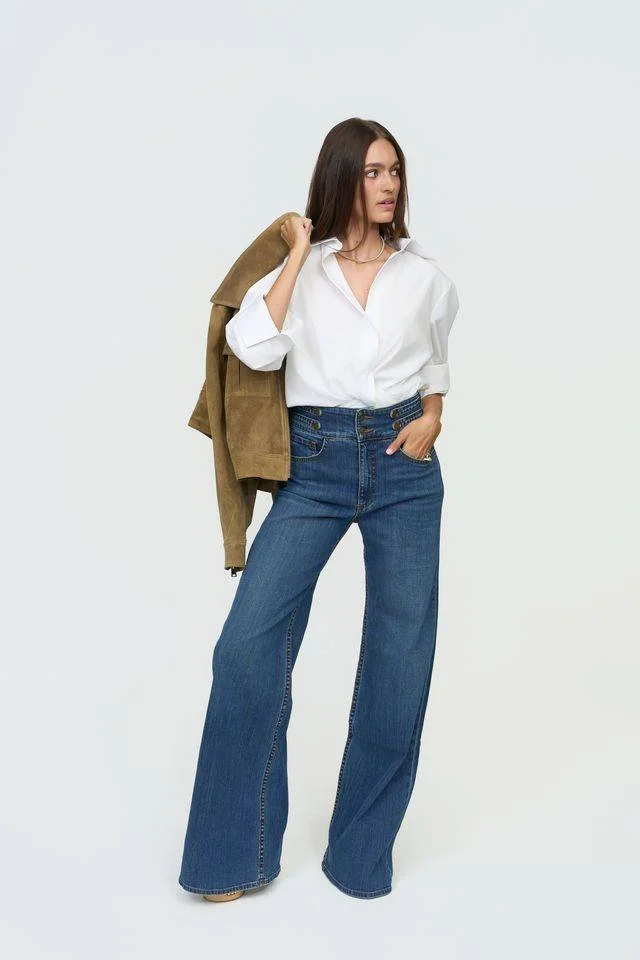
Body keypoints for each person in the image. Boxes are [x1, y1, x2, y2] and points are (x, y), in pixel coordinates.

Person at [178, 116, 460, 901]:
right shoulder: (303, 273)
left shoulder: (425, 276)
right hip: (316, 462)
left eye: (394, 170)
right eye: (372, 171)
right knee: (246, 647)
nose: (389, 184)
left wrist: (434, 415)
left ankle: (359, 857)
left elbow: (435, 363)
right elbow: (253, 346)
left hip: (405, 468)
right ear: (342, 178)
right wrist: (298, 251)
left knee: (400, 661)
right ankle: (233, 857)